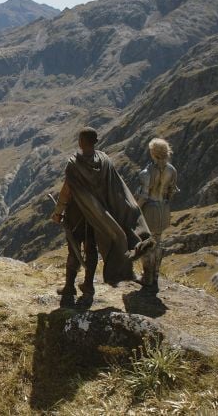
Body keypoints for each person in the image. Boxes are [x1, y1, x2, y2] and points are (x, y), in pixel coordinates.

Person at [50, 127, 154, 306]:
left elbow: (67, 189)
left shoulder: (74, 163)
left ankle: (69, 286)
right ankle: (88, 287)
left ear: (81, 142)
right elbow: (117, 189)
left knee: (74, 248)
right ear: (95, 142)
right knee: (91, 249)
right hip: (98, 216)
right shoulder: (105, 161)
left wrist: (58, 212)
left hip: (77, 214)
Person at [136, 138, 179, 294]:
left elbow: (143, 196)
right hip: (163, 209)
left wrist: (134, 211)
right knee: (158, 241)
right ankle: (155, 276)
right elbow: (172, 192)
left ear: (152, 153)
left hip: (150, 210)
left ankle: (146, 277)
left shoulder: (146, 173)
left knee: (146, 242)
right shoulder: (172, 170)